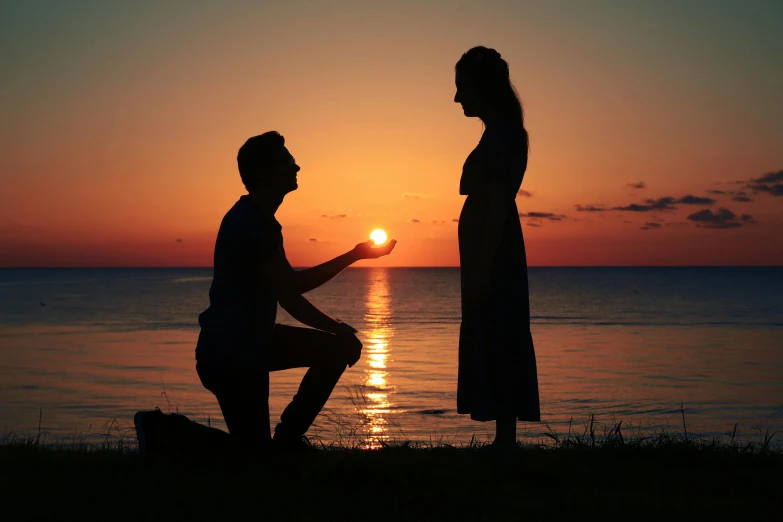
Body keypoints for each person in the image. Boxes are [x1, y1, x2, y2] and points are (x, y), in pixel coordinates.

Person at [134, 131, 396, 454]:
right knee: (254, 458)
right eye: (288, 161)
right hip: (230, 354)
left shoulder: (263, 223)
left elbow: (286, 297)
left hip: (255, 344)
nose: (297, 167)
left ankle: (287, 441)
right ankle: (161, 428)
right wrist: (356, 255)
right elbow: (292, 286)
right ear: (264, 172)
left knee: (333, 350)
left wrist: (337, 330)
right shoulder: (250, 223)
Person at [453, 46, 540, 449]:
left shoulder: (504, 136)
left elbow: (498, 204)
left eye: (462, 88)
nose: (457, 98)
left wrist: (483, 265)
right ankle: (503, 438)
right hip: (492, 249)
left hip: (496, 250)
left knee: (500, 332)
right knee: (495, 332)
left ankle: (506, 441)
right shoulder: (499, 133)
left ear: (482, 87)